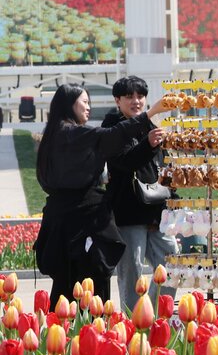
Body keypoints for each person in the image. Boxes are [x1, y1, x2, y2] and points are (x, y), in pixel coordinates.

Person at [34, 84, 174, 307]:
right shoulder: (72, 134)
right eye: (84, 102)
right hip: (82, 223)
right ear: (69, 104)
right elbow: (113, 136)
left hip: (62, 220)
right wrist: (150, 113)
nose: (89, 107)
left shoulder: (53, 134)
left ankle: (69, 336)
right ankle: (92, 335)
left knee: (67, 288)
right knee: (90, 286)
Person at [105, 76, 178, 313]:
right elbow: (124, 163)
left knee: (172, 263)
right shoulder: (112, 126)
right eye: (129, 97)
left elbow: (157, 168)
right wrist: (148, 144)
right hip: (128, 210)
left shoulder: (151, 125)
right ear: (118, 100)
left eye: (140, 96)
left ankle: (154, 317)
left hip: (155, 211)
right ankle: (131, 327)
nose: (136, 101)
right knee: (132, 272)